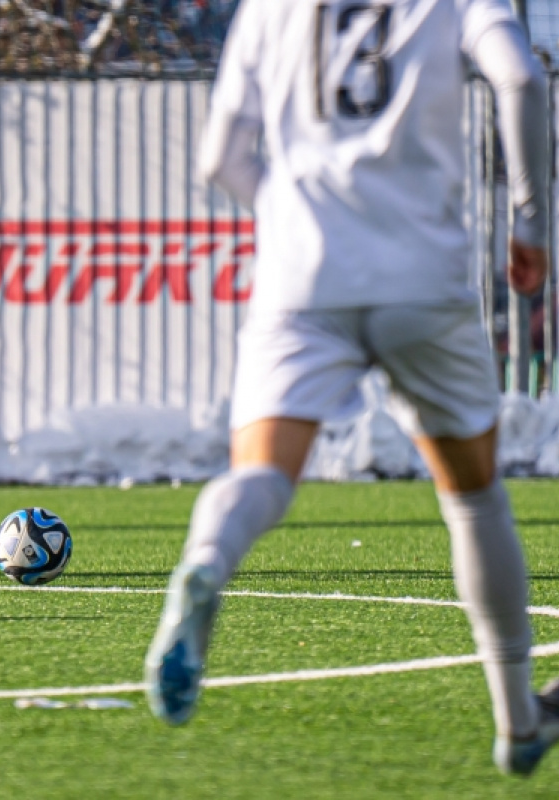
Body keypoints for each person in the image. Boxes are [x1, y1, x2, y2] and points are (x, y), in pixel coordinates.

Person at [144, 0, 557, 778]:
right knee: (473, 494)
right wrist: (531, 220)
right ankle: (516, 718)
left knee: (262, 470)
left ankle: (205, 562)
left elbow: (222, 158)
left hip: (304, 278)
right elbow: (522, 78)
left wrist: (301, 220)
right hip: (422, 278)